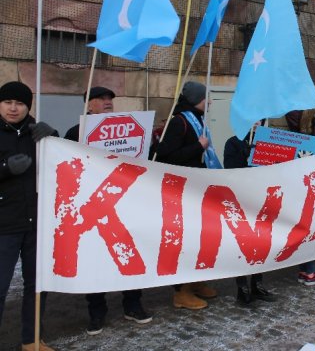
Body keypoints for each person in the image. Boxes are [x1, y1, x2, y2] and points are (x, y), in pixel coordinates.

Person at [64, 86, 152, 334]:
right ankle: (96, 311)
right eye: (101, 98)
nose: (107, 102)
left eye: (109, 99)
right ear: (88, 104)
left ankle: (133, 304)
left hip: (124, 202)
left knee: (130, 253)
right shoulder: (75, 132)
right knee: (94, 258)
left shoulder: (129, 127)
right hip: (91, 205)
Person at [0, 81, 57, 351]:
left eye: (20, 103)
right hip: (4, 225)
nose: (13, 108)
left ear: (28, 107)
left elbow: (64, 164)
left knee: (37, 285)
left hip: (37, 223)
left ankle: (32, 339)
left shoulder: (38, 133)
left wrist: (54, 137)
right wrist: (4, 168)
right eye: (8, 102)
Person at [155, 81, 219, 310]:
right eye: (206, 98)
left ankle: (195, 282)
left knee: (200, 239)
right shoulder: (179, 122)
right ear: (195, 100)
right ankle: (181, 292)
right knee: (186, 242)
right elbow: (166, 157)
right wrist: (198, 147)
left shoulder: (197, 119)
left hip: (196, 188)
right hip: (181, 192)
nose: (209, 101)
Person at [223, 121, 278, 305]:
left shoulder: (267, 142)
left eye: (259, 120)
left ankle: (257, 283)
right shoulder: (233, 142)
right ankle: (242, 287)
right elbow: (230, 170)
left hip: (260, 199)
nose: (256, 123)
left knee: (262, 242)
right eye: (252, 119)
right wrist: (248, 158)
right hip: (241, 200)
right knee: (243, 243)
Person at [284, 109, 315, 286]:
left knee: (308, 230)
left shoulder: (295, 135)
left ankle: (307, 269)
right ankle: (309, 272)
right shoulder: (307, 137)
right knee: (309, 230)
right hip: (307, 191)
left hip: (303, 190)